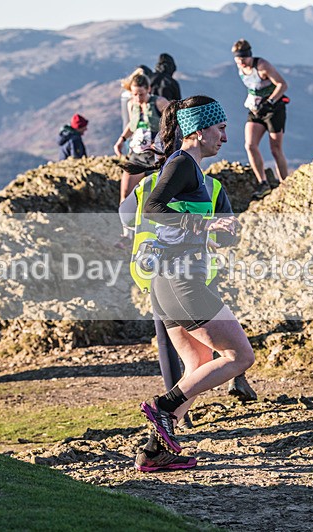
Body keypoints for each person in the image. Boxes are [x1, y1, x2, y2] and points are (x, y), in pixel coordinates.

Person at [133, 95, 255, 472]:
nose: (225, 138)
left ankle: (154, 452)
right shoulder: (183, 163)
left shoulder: (195, 171)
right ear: (199, 130)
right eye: (220, 129)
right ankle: (163, 407)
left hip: (170, 284)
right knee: (240, 357)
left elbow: (197, 226)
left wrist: (222, 230)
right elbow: (153, 207)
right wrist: (201, 224)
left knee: (198, 364)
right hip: (180, 282)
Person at [113, 69, 170, 248]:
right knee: (125, 194)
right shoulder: (132, 104)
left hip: (157, 156)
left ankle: (161, 232)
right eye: (134, 94)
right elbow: (132, 125)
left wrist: (164, 143)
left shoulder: (160, 103)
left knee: (159, 196)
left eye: (141, 94)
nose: (138, 98)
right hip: (136, 154)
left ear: (149, 89)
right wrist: (121, 140)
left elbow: (174, 123)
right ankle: (126, 234)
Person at [232, 39, 289, 200]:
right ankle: (262, 183)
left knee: (275, 149)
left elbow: (282, 84)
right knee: (250, 145)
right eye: (238, 60)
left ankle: (285, 184)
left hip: (273, 110)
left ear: (250, 56)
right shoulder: (240, 67)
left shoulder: (262, 66)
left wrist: (270, 102)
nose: (241, 63)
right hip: (255, 110)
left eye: (244, 59)